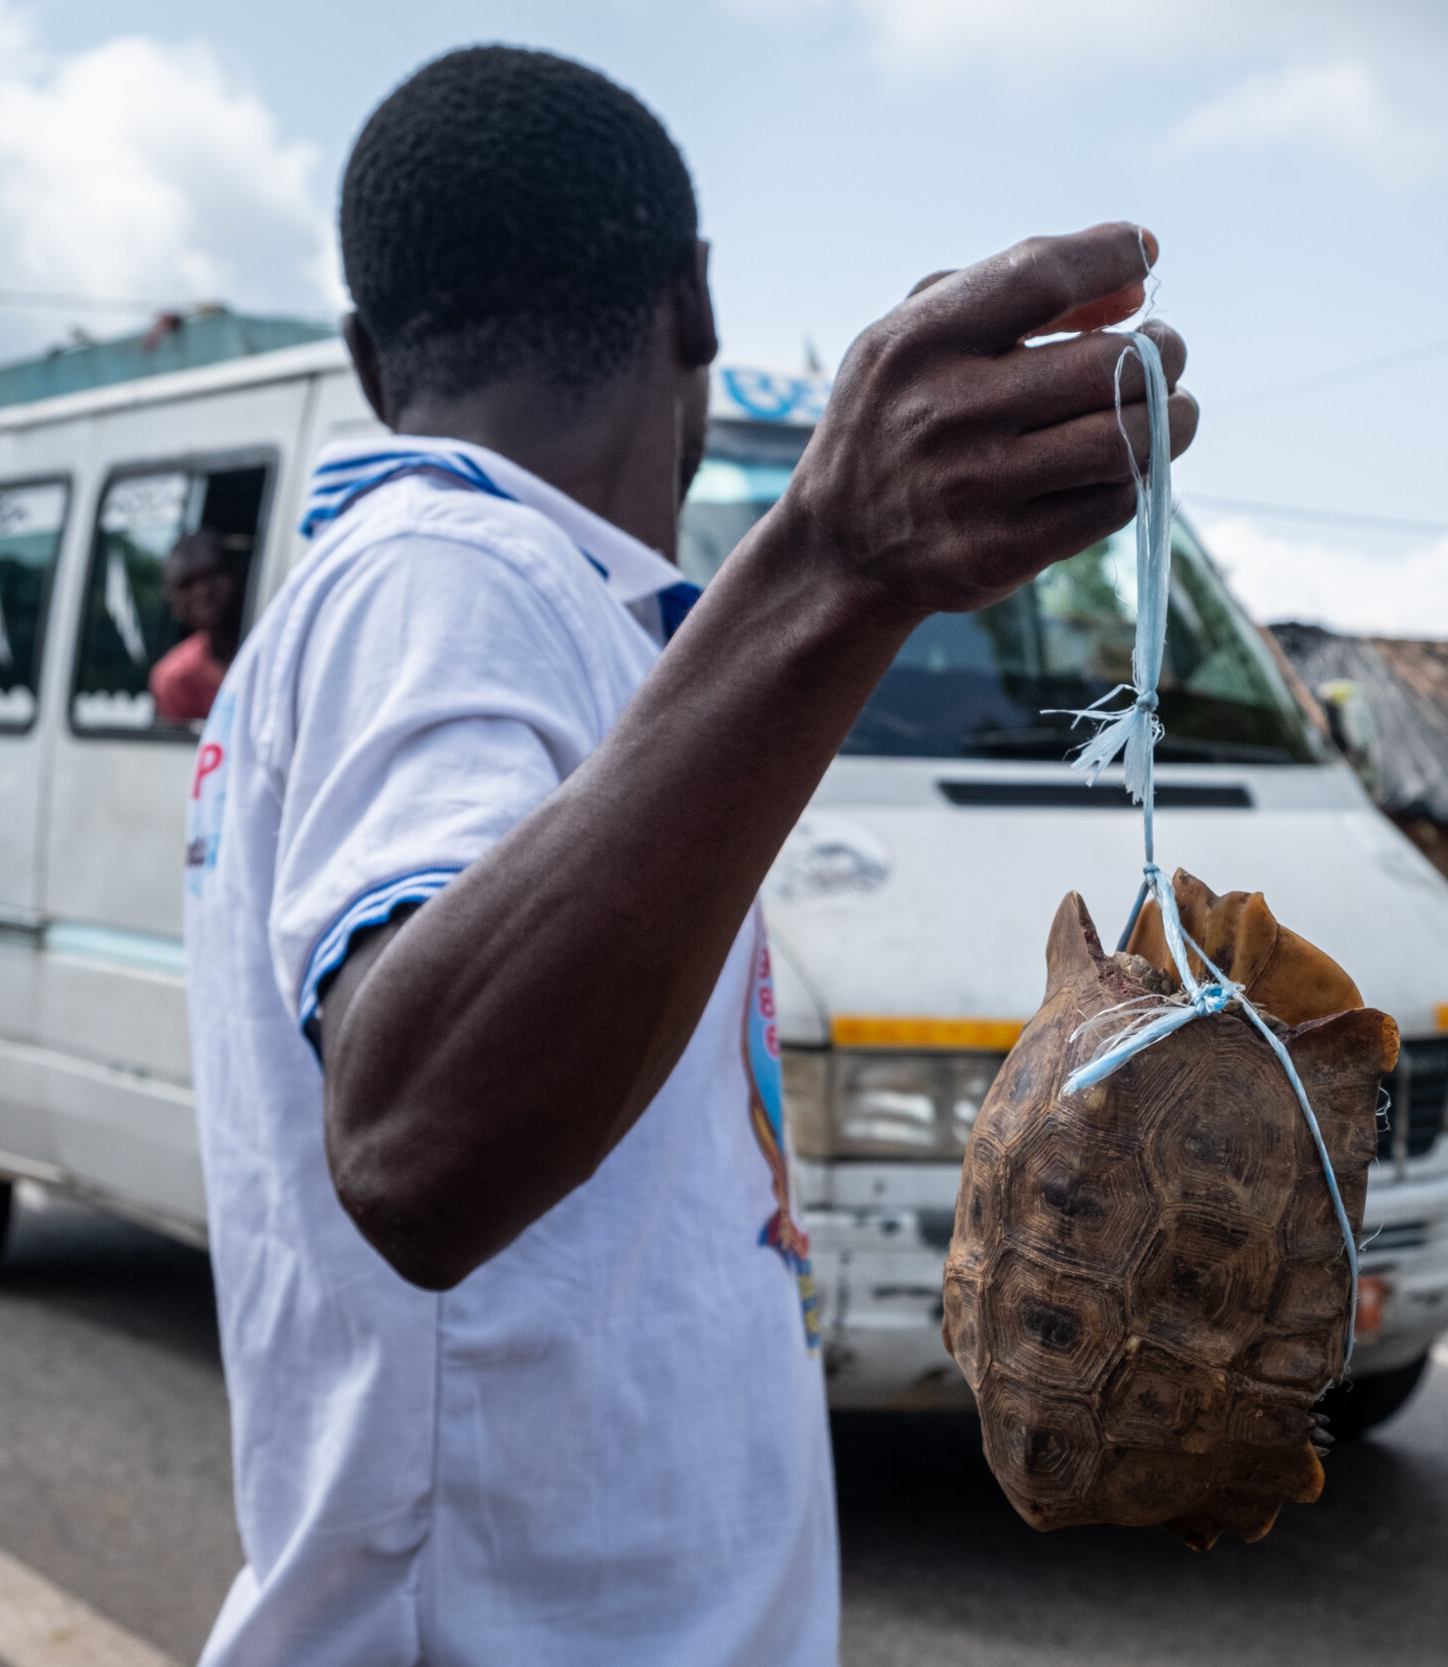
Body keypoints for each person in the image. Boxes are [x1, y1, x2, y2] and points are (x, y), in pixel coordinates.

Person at [180, 44, 1194, 1667]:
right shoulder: (450, 575)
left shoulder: (529, 606)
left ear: (372, 359)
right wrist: (836, 567)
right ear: (696, 307)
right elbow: (418, 1140)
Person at [149, 528, 242, 726]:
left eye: (212, 575)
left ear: (237, 575)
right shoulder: (175, 678)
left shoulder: (281, 645)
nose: (203, 591)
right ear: (173, 601)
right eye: (186, 584)